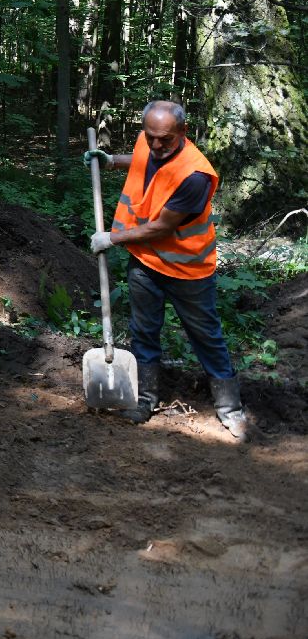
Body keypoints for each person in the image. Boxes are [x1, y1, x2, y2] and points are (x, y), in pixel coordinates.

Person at [85, 101, 248, 441]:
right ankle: (144, 400)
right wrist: (112, 160)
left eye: (165, 140)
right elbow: (145, 161)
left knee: (206, 336)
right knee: (144, 330)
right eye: (151, 137)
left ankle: (230, 409)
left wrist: (111, 239)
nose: (157, 145)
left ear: (183, 133)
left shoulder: (195, 176)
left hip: (188, 271)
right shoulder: (151, 142)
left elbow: (160, 227)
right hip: (146, 263)